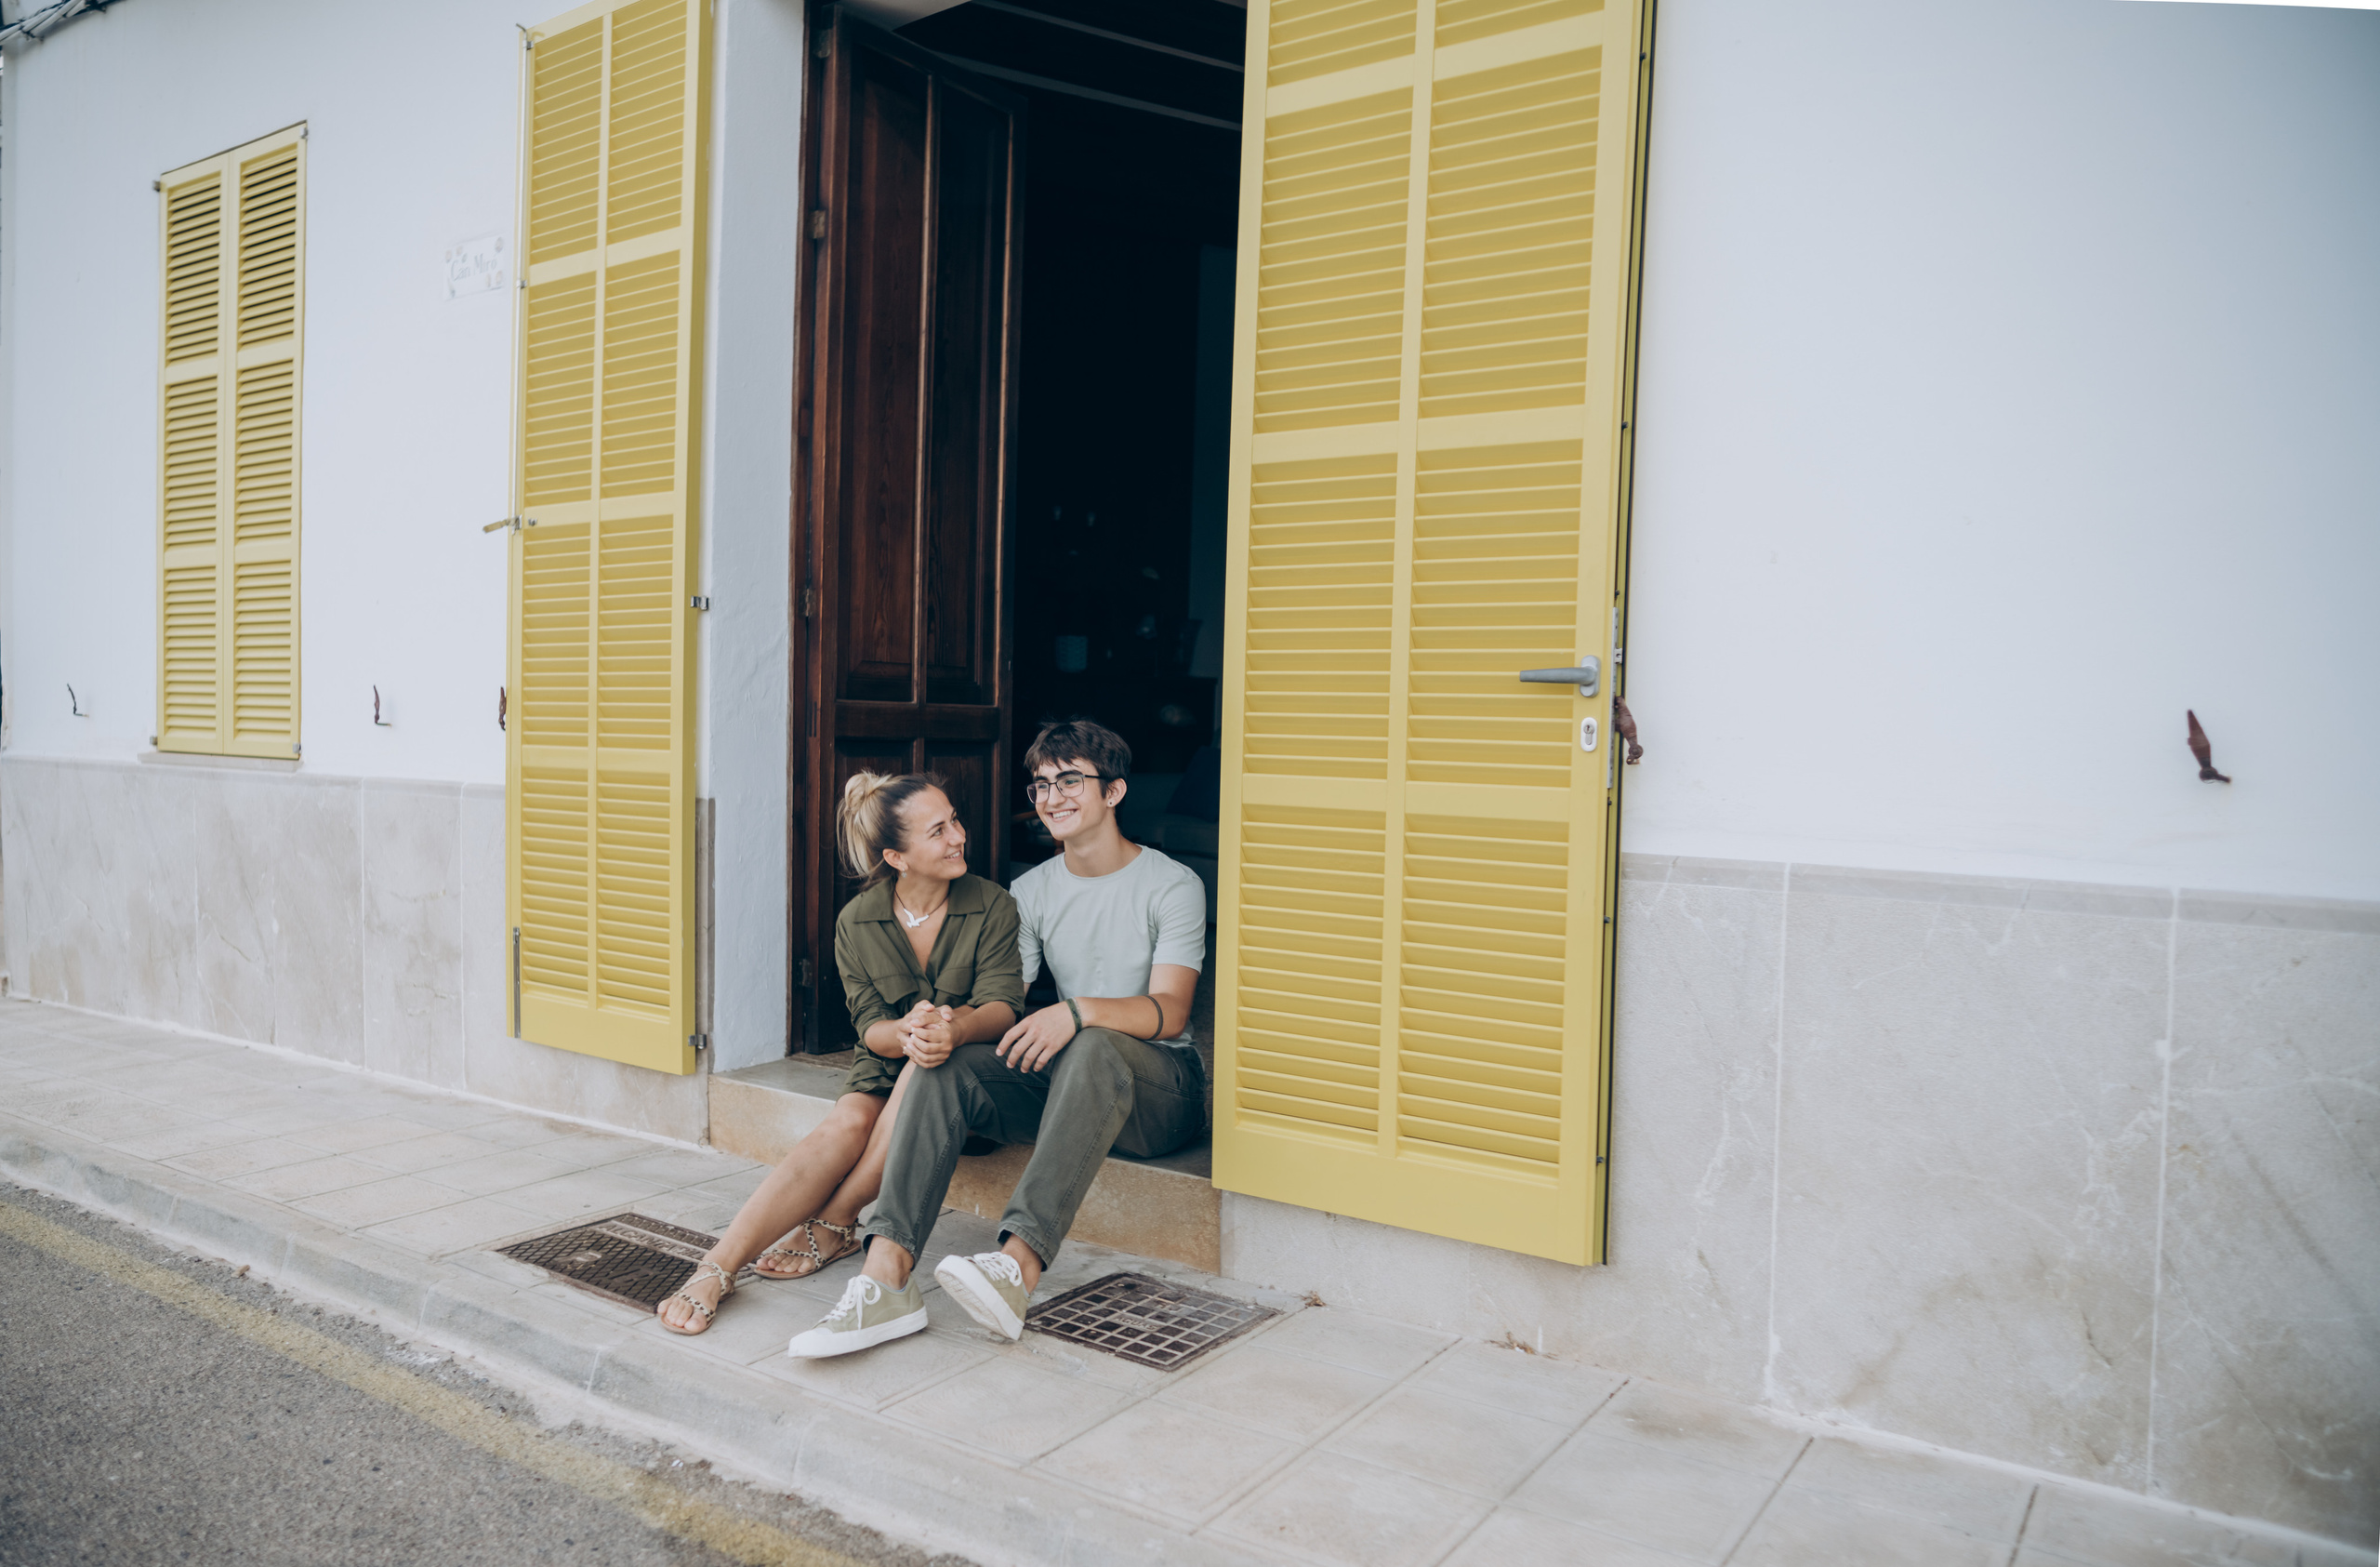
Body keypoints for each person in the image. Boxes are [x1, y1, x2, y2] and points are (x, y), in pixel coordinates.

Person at [788, 720, 1208, 1357]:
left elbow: (1171, 1012)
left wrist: (1077, 1012)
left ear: (1115, 791)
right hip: (1076, 1085)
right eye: (1040, 783)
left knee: (1091, 1040)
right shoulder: (1032, 890)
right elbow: (1001, 1001)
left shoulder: (1172, 884)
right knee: (947, 1064)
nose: (1051, 795)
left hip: (1162, 1092)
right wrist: (940, 1027)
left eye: (1071, 779)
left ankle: (1017, 1266)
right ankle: (886, 1280)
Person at [655, 772, 1023, 1335]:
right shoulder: (857, 921)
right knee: (845, 1122)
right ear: (897, 857)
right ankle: (716, 1266)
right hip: (887, 1061)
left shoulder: (992, 903)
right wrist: (905, 1031)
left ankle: (834, 1221)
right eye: (939, 830)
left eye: (955, 820)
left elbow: (1003, 1006)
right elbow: (869, 1027)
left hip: (963, 1077)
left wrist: (955, 1026)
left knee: (926, 1071)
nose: (959, 836)